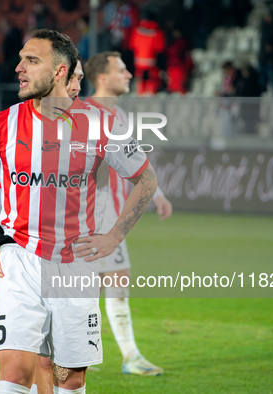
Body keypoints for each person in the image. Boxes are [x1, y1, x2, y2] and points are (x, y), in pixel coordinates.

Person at [0, 29, 157, 393]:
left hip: (75, 266)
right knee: (15, 372)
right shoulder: (2, 124)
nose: (18, 68)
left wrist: (114, 237)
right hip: (19, 260)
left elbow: (146, 180)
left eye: (32, 61)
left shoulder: (102, 124)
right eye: (20, 59)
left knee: (70, 378)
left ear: (60, 71)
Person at [84, 51, 172, 375]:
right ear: (103, 78)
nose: (130, 75)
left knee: (110, 283)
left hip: (112, 219)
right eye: (122, 70)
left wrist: (157, 194)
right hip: (88, 218)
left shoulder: (117, 115)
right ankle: (116, 354)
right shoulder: (84, 114)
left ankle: (98, 352)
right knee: (87, 285)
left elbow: (136, 164)